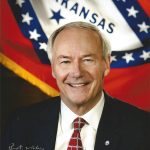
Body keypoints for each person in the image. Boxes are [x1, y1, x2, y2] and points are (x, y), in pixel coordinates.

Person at [3, 22, 150, 150]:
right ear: (53, 68)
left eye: (87, 60)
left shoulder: (143, 128)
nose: (77, 72)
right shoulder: (20, 124)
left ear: (106, 64)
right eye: (65, 61)